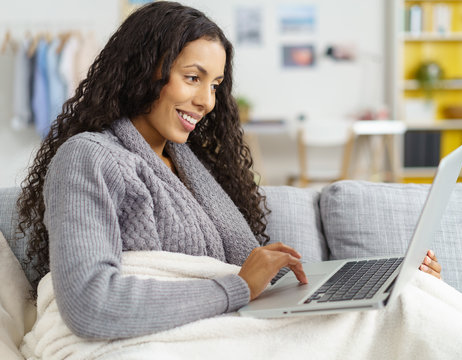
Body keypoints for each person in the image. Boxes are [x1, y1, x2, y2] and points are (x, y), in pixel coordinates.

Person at [16, 2, 440, 341]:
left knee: (408, 303)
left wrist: (389, 274)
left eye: (215, 84)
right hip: (167, 338)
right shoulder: (88, 157)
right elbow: (92, 303)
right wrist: (237, 287)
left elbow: (255, 279)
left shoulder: (189, 166)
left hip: (223, 325)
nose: (207, 101)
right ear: (143, 71)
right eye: (193, 78)